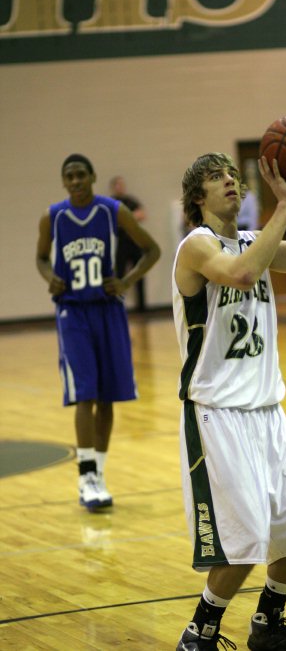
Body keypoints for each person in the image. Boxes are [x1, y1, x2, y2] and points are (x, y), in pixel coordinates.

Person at [172, 145, 286, 650]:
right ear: (196, 196)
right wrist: (285, 204)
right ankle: (198, 635)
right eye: (215, 176)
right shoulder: (195, 247)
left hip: (269, 410)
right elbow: (241, 273)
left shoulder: (254, 240)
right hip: (217, 413)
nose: (228, 180)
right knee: (244, 542)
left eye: (231, 174)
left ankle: (268, 623)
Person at [36, 154, 161, 512]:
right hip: (73, 312)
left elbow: (152, 250)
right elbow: (41, 258)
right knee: (84, 395)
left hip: (108, 311)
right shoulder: (53, 217)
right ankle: (85, 477)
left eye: (80, 174)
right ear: (64, 182)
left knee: (107, 398)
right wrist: (50, 278)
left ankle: (99, 476)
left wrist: (126, 281)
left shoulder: (113, 211)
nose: (75, 181)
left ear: (92, 176)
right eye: (69, 176)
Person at [110, 175, 148, 312]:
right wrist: (130, 218)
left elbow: (142, 214)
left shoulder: (130, 200)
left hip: (135, 242)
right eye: (118, 185)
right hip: (121, 244)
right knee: (119, 275)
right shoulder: (112, 202)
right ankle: (117, 305)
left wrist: (126, 218)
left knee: (139, 272)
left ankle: (142, 307)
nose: (121, 187)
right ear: (114, 187)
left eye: (122, 184)